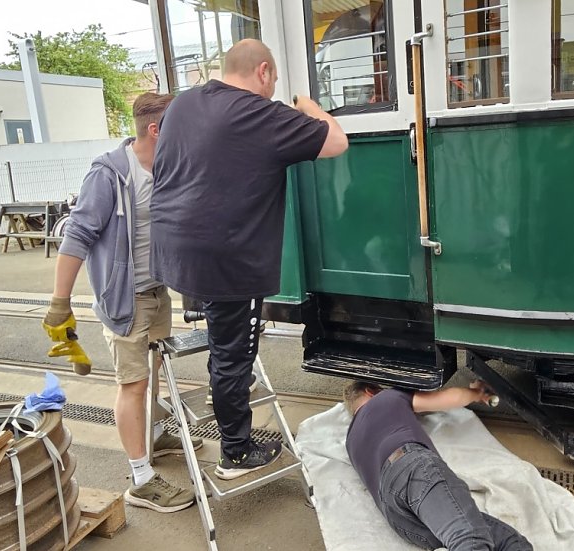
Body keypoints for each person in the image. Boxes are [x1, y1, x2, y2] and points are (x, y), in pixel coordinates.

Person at [150, 39, 348, 480]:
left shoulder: (181, 105)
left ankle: (223, 390)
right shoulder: (260, 113)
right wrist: (306, 104)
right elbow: (337, 141)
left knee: (224, 344)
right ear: (262, 71)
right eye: (272, 80)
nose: (271, 89)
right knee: (233, 354)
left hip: (174, 249)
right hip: (225, 258)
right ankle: (235, 452)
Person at [43, 92, 199, 513]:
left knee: (155, 370)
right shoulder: (110, 174)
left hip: (156, 290)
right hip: (124, 296)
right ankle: (141, 479)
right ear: (155, 130)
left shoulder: (167, 166)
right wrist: (61, 303)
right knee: (133, 384)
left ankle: (152, 434)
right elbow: (76, 236)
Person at [344, 381, 534, 551]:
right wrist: (477, 393)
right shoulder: (387, 397)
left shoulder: (351, 441)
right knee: (471, 541)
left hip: (396, 515)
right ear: (371, 391)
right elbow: (446, 398)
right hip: (411, 469)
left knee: (511, 542)